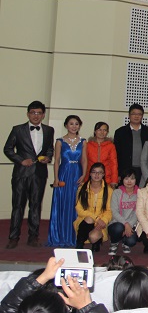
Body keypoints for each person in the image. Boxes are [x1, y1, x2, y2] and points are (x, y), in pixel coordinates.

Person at [4, 101, 55, 249]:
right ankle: (13, 237)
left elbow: (50, 149)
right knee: (17, 206)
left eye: (39, 113)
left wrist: (48, 157)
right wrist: (21, 160)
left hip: (39, 174)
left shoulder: (49, 130)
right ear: (28, 114)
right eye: (33, 113)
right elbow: (7, 149)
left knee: (36, 206)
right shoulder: (17, 129)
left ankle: (33, 237)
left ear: (43, 115)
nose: (36, 116)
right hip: (21, 173)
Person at [47, 115, 87, 247]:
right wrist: (56, 178)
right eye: (71, 123)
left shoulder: (83, 141)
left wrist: (84, 174)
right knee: (62, 203)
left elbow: (84, 159)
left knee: (76, 203)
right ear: (66, 125)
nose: (74, 126)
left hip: (77, 173)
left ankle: (75, 236)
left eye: (76, 124)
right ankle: (60, 235)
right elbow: (57, 161)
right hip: (64, 173)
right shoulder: (60, 141)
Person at [74, 163, 113, 251]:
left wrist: (103, 220)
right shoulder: (82, 188)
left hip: (101, 222)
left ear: (103, 174)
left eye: (100, 172)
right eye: (94, 172)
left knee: (94, 237)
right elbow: (79, 209)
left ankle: (96, 242)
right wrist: (96, 218)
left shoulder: (109, 190)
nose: (96, 175)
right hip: (85, 220)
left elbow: (109, 210)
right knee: (89, 219)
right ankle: (79, 243)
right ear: (90, 173)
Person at [114, 103, 148, 184]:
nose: (136, 116)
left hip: (144, 170)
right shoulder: (120, 132)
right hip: (126, 170)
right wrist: (118, 173)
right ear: (129, 115)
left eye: (139, 114)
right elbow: (116, 154)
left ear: (142, 116)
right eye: (134, 114)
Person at [108, 168, 139, 255]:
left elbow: (137, 213)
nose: (129, 181)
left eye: (132, 178)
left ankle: (125, 243)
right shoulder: (116, 192)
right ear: (122, 180)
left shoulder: (140, 194)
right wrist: (125, 224)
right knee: (118, 228)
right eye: (126, 178)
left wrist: (129, 225)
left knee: (131, 241)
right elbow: (114, 211)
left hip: (132, 224)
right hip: (116, 223)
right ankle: (114, 243)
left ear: (136, 180)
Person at [86, 122, 118, 188]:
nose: (102, 132)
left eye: (104, 130)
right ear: (95, 131)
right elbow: (84, 162)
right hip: (90, 177)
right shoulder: (88, 145)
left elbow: (114, 164)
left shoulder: (111, 146)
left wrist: (114, 180)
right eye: (99, 130)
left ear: (107, 132)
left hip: (106, 178)